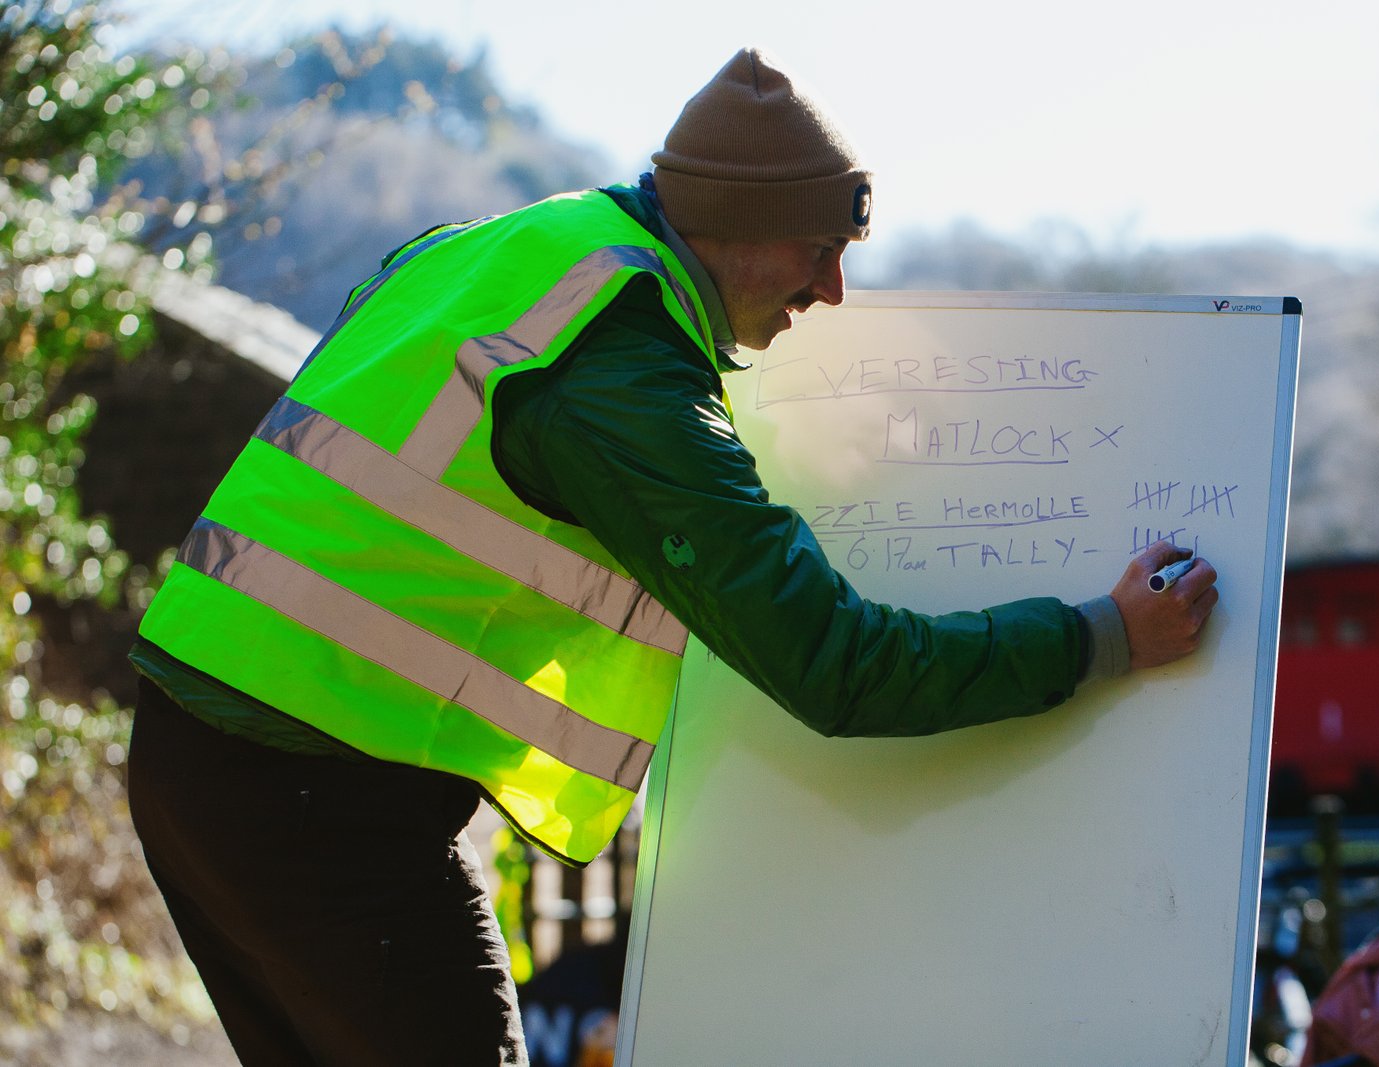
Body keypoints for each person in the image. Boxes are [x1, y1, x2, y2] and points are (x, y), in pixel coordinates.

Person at [125, 47, 1219, 1065]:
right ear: (739, 224)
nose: (831, 290)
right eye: (819, 249)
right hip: (313, 792)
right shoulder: (622, 373)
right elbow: (839, 666)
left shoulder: (511, 252)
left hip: (207, 753)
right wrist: (1103, 634)